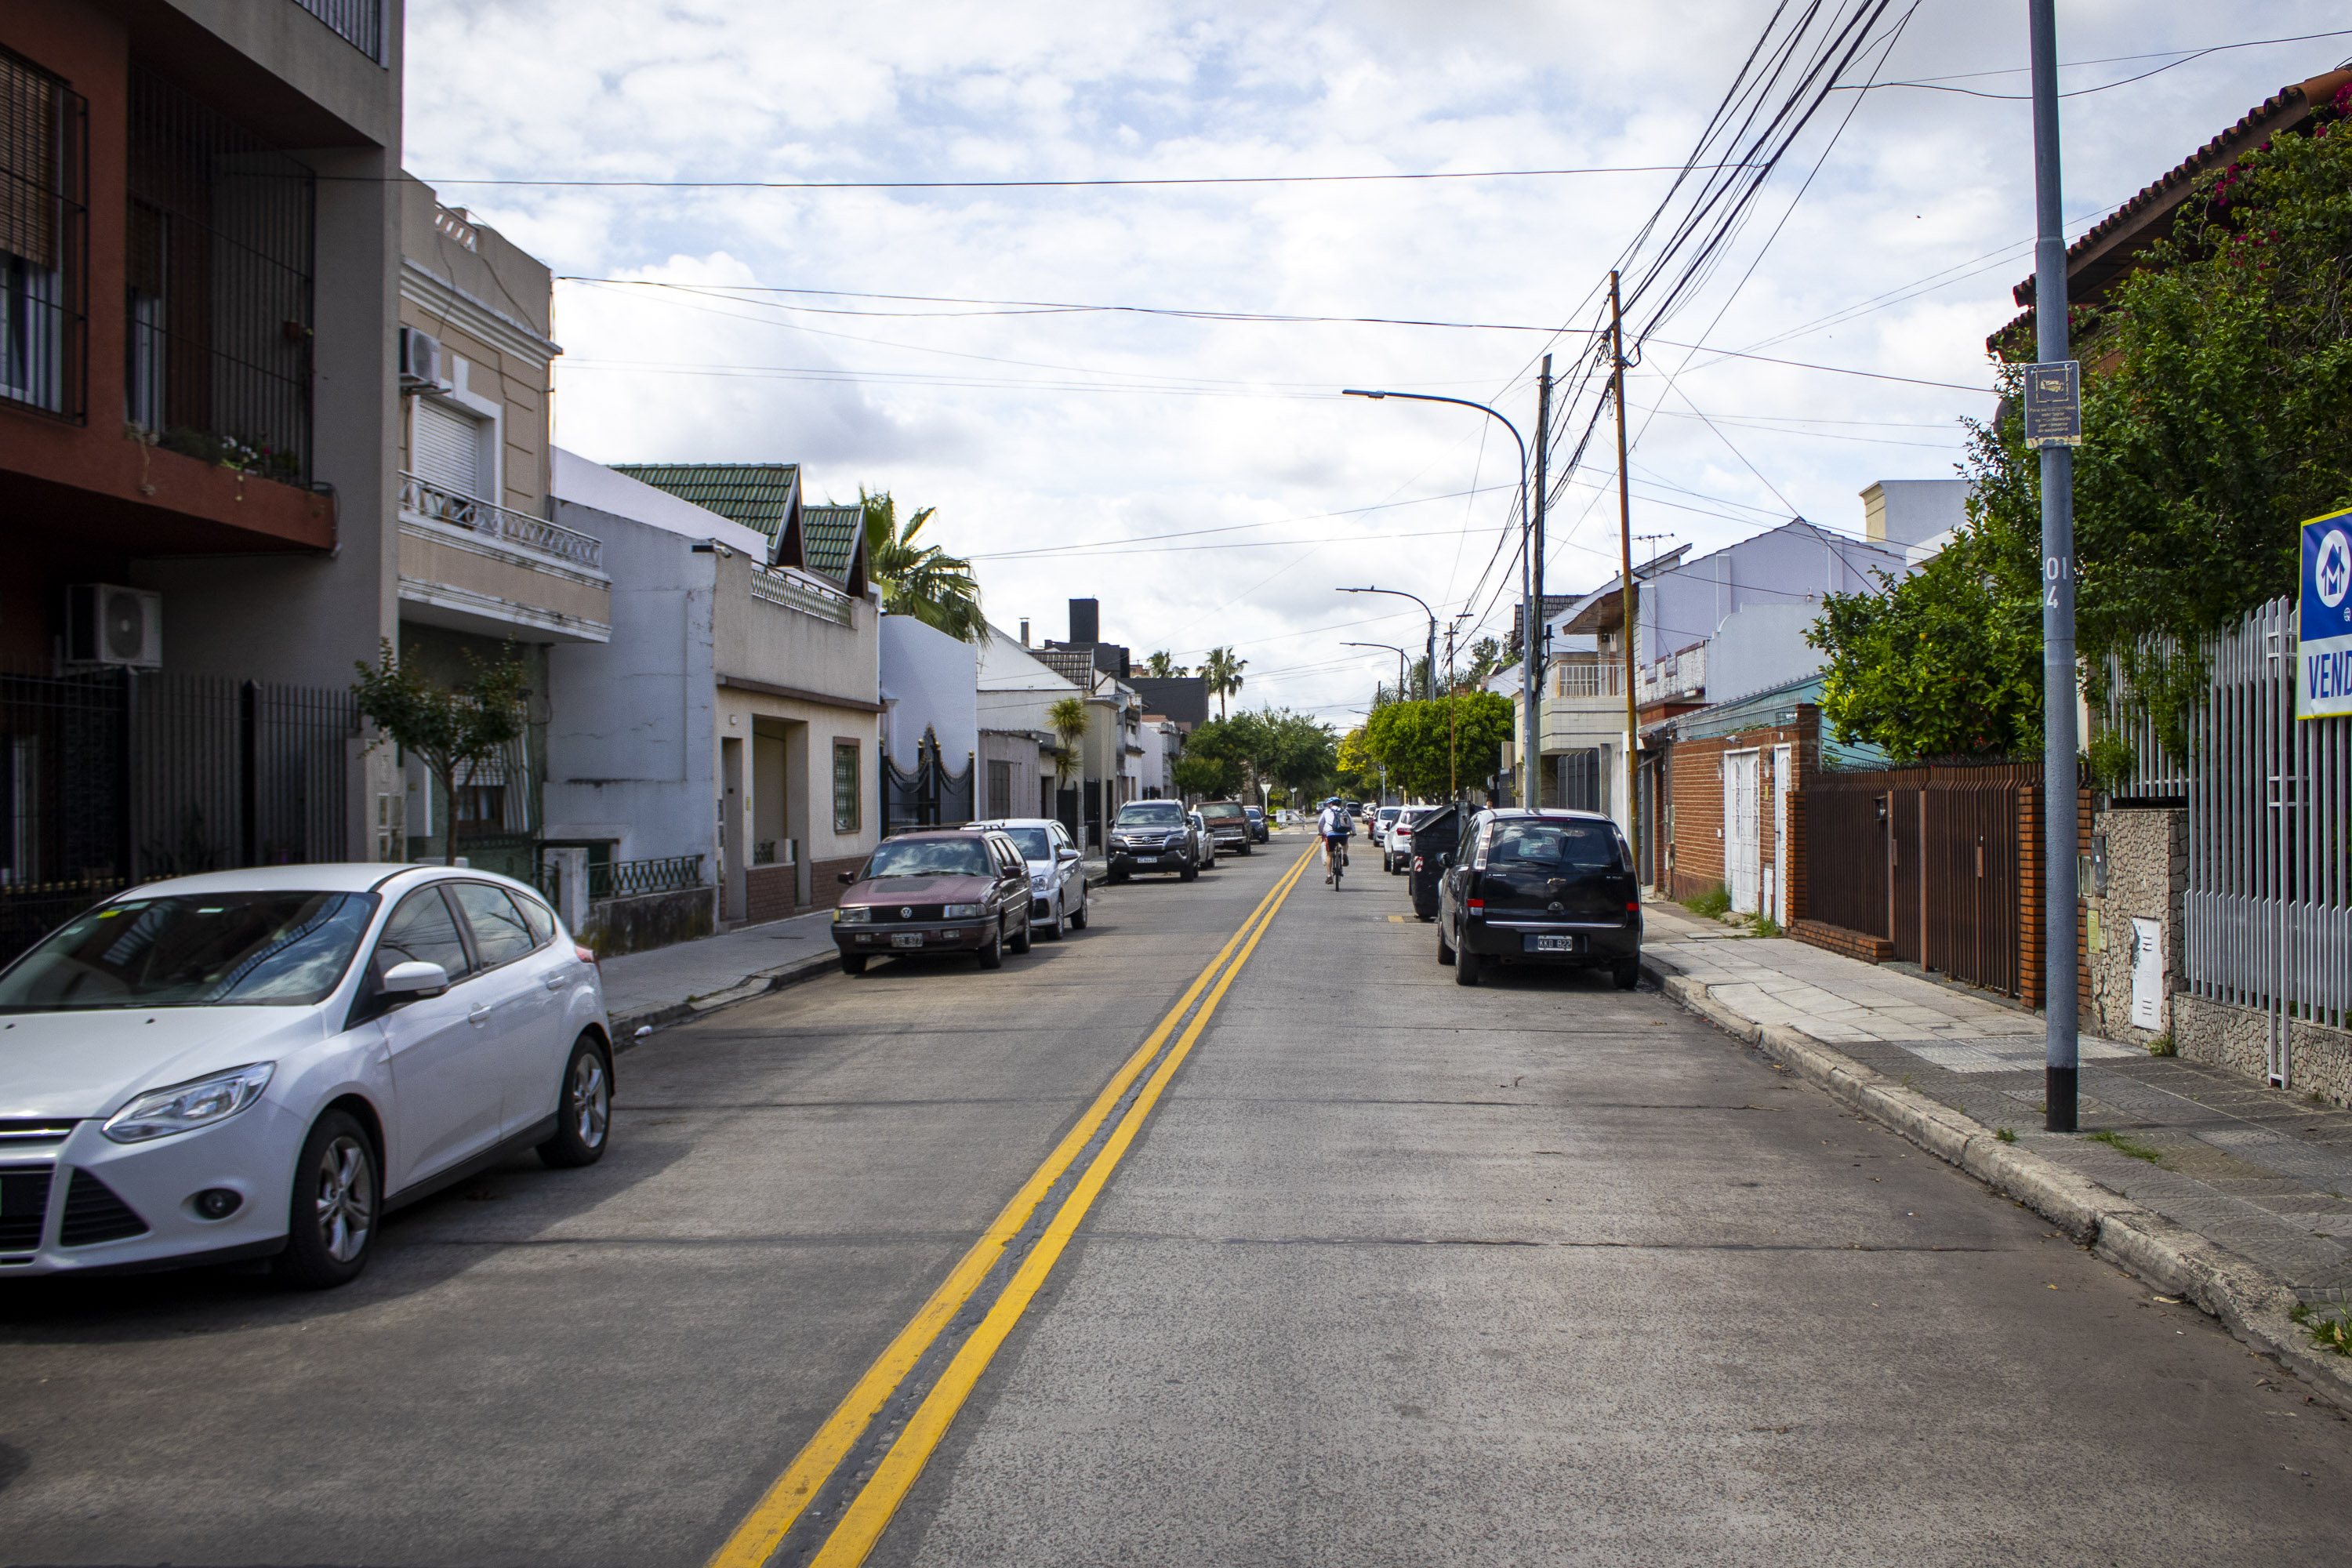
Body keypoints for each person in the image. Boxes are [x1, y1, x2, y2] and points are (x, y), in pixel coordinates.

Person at [1316, 796, 1352, 882]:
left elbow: (1320, 824)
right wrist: (1353, 832)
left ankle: (1329, 876)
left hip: (1331, 835)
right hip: (1343, 834)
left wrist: (1321, 832)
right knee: (1345, 843)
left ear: (1331, 804)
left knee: (1329, 855)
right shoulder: (1345, 811)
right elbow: (1351, 823)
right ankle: (1345, 854)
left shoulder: (1326, 811)